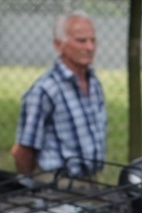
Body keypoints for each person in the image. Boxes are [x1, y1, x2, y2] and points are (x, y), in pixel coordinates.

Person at [12, 10, 106, 177]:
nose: (90, 47)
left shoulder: (94, 83)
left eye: (93, 40)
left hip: (91, 181)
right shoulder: (45, 90)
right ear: (58, 44)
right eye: (81, 41)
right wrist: (31, 188)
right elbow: (23, 151)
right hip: (56, 184)